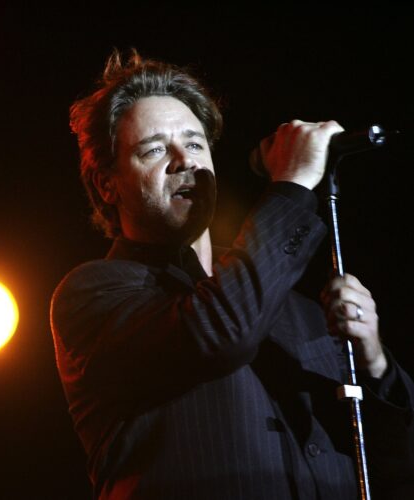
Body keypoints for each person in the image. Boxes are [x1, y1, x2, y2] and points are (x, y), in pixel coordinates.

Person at [50, 49, 414, 499]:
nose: (185, 161)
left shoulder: (298, 307)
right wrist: (293, 184)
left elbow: (393, 468)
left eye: (195, 144)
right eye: (155, 149)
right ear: (108, 184)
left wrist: (375, 363)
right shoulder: (94, 295)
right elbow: (219, 330)